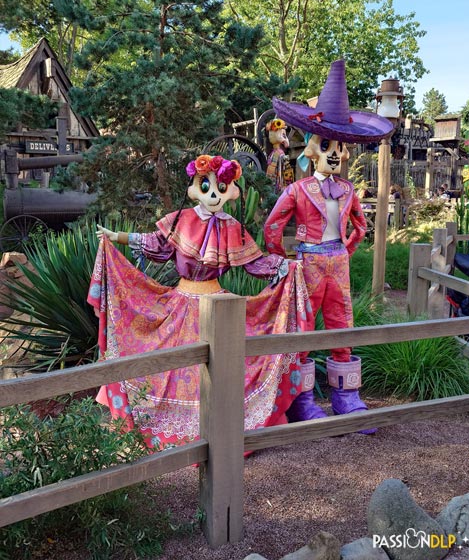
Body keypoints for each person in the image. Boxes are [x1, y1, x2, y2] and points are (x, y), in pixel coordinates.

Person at [89, 154, 313, 448]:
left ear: (231, 191)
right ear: (193, 188)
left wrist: (288, 267)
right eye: (205, 186)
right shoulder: (182, 220)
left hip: (220, 308)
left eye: (221, 187)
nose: (213, 194)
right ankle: (171, 432)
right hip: (180, 304)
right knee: (171, 366)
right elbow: (157, 244)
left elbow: (255, 264)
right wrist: (115, 236)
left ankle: (222, 431)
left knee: (226, 366)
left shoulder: (233, 227)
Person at [264, 59, 393, 430]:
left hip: (338, 264)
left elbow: (361, 226)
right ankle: (302, 401)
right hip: (307, 265)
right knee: (304, 331)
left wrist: (346, 250)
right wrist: (284, 262)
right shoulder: (298, 189)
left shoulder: (349, 189)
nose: (335, 152)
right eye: (326, 144)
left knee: (342, 326)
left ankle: (346, 398)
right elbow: (273, 226)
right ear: (311, 149)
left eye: (340, 145)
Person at [265, 118, 294, 193]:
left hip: (272, 188)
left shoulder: (272, 154)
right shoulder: (280, 154)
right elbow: (287, 174)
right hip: (279, 189)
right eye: (283, 134)